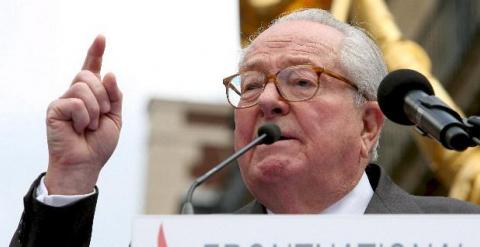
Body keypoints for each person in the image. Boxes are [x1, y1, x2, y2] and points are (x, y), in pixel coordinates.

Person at [10, 8, 480, 247]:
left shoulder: (460, 231)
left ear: (368, 124)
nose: (269, 100)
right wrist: (71, 177)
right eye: (252, 85)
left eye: (301, 81)